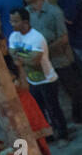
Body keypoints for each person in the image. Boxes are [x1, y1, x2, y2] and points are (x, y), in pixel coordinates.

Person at [8, 8, 70, 145]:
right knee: (39, 110)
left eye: (15, 21)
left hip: (47, 79)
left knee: (53, 109)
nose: (11, 24)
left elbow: (35, 60)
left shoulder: (36, 37)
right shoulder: (14, 36)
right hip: (31, 81)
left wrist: (21, 59)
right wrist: (25, 58)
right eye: (11, 20)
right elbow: (12, 54)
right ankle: (48, 134)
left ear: (25, 22)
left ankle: (63, 135)